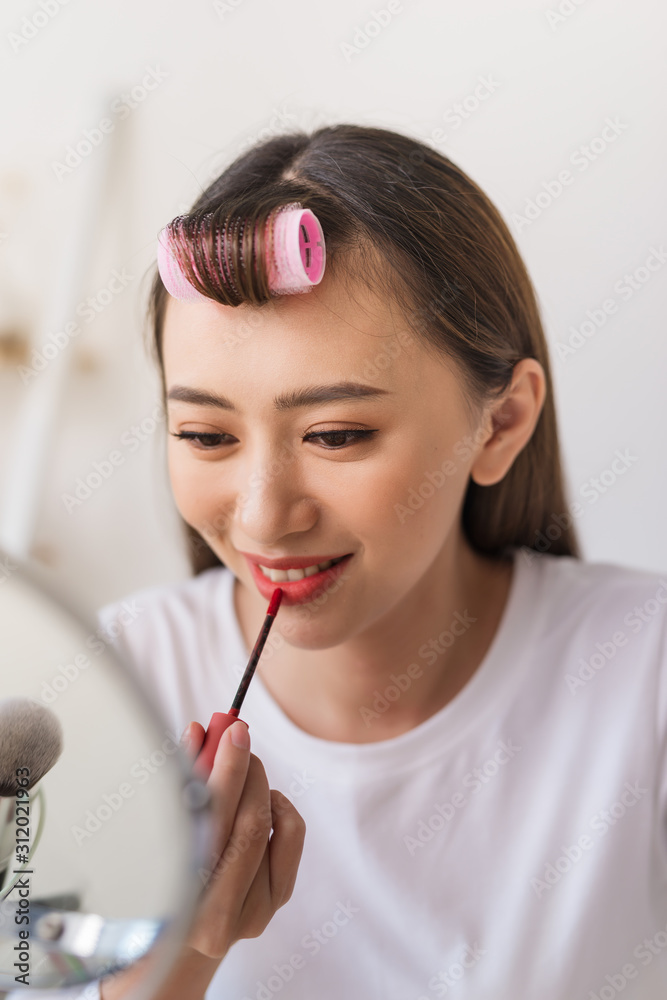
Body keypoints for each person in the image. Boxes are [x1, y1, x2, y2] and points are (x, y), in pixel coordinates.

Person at [93, 124, 667, 999]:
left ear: (500, 423)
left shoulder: (644, 677)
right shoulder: (99, 698)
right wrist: (173, 962)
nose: (262, 515)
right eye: (205, 435)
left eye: (335, 435)